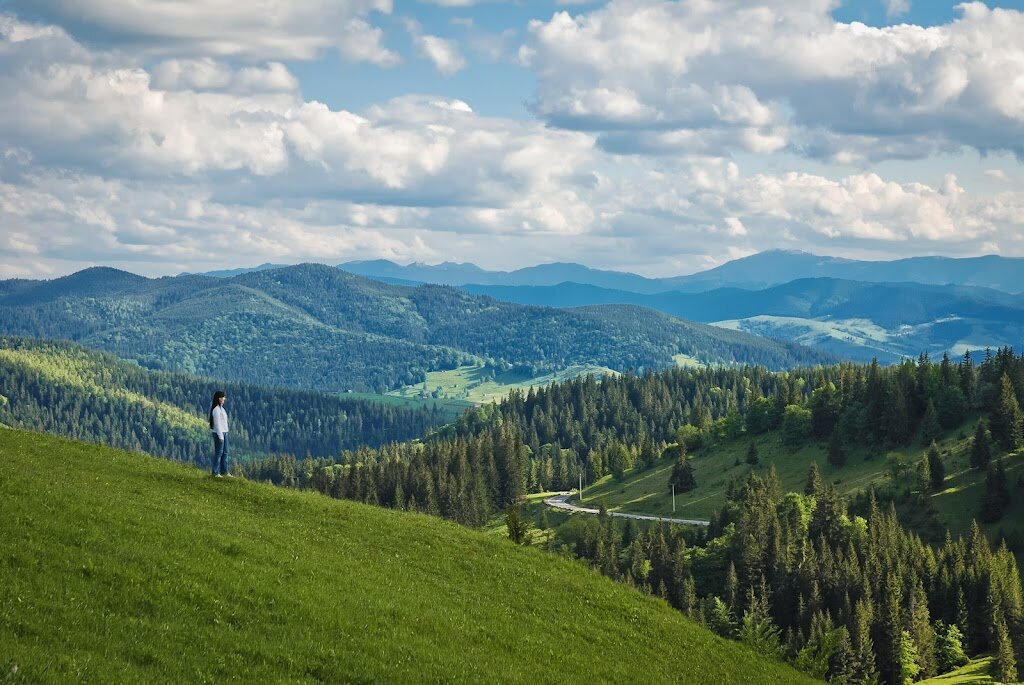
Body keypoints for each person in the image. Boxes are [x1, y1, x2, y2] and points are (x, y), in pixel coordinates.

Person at [209, 390, 230, 477]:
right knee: (219, 453)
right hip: (219, 433)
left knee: (225, 452)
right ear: (219, 398)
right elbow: (217, 424)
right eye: (222, 397)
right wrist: (220, 436)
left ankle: (224, 471)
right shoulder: (216, 410)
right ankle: (215, 472)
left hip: (225, 432)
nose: (224, 399)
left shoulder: (222, 409)